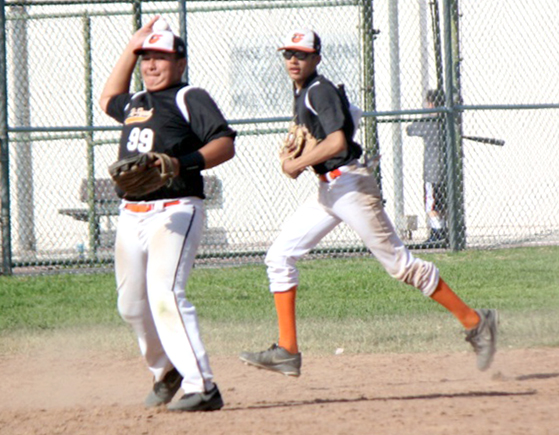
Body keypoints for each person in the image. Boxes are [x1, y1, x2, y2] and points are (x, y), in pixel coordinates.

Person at [239, 29, 497, 377]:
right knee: (279, 256)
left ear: (316, 57)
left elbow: (338, 141)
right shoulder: (303, 92)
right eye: (288, 54)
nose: (293, 60)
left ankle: (476, 322)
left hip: (350, 187)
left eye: (301, 54)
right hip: (328, 191)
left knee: (401, 266)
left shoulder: (319, 90)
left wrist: (296, 163)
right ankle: (287, 350)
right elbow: (351, 117)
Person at [99, 16, 236, 412]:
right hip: (132, 213)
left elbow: (224, 144)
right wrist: (130, 46)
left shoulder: (189, 96)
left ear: (180, 62)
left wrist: (181, 164)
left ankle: (203, 386)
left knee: (165, 294)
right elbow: (108, 97)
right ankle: (166, 370)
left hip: (175, 211)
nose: (151, 66)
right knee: (132, 305)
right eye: (146, 59)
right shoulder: (136, 103)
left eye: (160, 58)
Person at [406, 90, 448, 245]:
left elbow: (410, 129)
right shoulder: (447, 120)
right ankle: (443, 231)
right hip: (448, 170)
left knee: (432, 204)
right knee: (442, 203)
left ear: (430, 104)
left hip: (433, 171)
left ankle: (438, 234)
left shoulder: (428, 123)